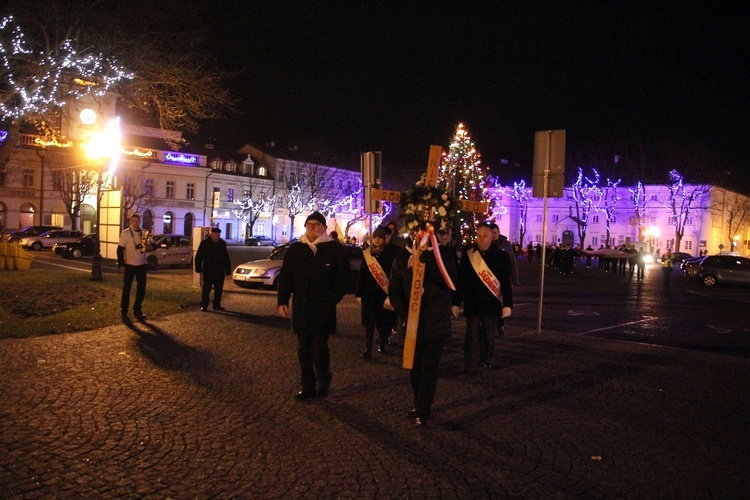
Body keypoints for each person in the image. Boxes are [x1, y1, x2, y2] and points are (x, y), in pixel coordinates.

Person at [388, 223, 458, 425]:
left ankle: (423, 409)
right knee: (415, 366)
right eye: (415, 233)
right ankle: (418, 403)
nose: (418, 237)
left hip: (435, 322)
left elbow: (451, 282)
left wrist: (433, 265)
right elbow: (395, 289)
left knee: (429, 367)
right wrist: (405, 313)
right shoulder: (402, 257)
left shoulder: (443, 254)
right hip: (412, 323)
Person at [277, 211, 350, 400]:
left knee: (319, 348)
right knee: (303, 349)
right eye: (310, 224)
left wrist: (331, 299)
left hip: (323, 308)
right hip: (301, 307)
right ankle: (307, 386)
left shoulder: (334, 249)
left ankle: (323, 380)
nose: (314, 228)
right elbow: (286, 277)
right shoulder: (296, 249)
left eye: (318, 225)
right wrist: (283, 300)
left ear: (325, 228)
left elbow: (343, 279)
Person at [453, 222, 513, 372]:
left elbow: (506, 282)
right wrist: (456, 302)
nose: (481, 239)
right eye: (479, 236)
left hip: (491, 303)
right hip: (472, 302)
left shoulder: (501, 256)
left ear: (491, 237)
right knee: (471, 335)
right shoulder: (469, 254)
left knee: (488, 334)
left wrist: (507, 305)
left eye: (485, 236)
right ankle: (470, 363)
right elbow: (461, 280)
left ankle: (486, 358)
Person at [356, 225, 398, 358]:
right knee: (369, 323)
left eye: (380, 238)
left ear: (384, 239)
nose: (377, 240)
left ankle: (382, 342)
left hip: (383, 293)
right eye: (375, 237)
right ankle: (367, 348)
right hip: (369, 293)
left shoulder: (390, 253)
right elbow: (362, 273)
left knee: (382, 321)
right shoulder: (367, 254)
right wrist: (358, 293)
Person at [117, 213, 149, 321]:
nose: (136, 223)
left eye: (137, 221)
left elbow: (150, 246)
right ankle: (124, 311)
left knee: (141, 289)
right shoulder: (125, 233)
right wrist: (121, 265)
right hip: (130, 265)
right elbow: (120, 250)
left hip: (142, 264)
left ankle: (137, 310)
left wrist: (150, 245)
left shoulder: (144, 233)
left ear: (140, 221)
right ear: (130, 222)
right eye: (133, 221)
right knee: (126, 289)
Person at [194, 227, 232, 311]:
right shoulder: (205, 244)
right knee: (206, 289)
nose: (217, 236)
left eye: (218, 235)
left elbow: (225, 257)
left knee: (218, 289)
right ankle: (204, 305)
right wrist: (198, 268)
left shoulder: (221, 243)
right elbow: (199, 257)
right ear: (212, 234)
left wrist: (228, 269)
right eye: (216, 234)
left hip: (220, 270)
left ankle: (216, 304)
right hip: (209, 270)